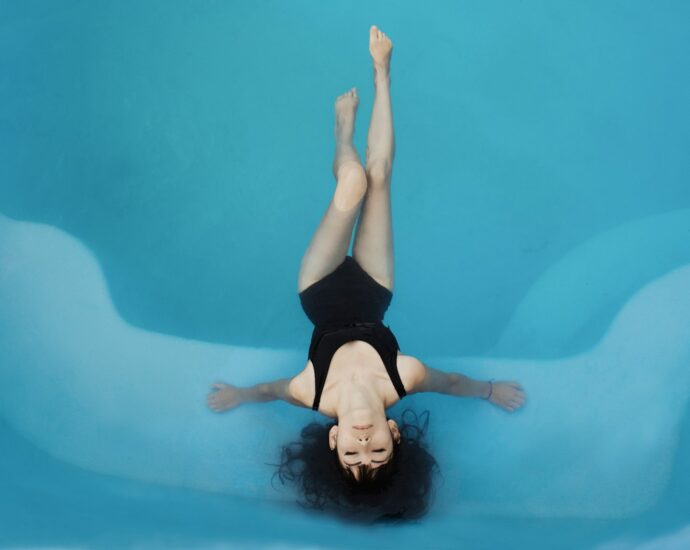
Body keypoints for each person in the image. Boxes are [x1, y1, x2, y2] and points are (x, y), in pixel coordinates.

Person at [207, 25, 526, 521]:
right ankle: (382, 74)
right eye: (377, 453)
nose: (363, 446)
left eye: (351, 455)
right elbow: (454, 383)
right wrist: (490, 391)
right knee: (379, 178)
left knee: (352, 182)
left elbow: (269, 390)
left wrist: (239, 396)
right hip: (375, 291)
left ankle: (340, 135)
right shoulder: (405, 377)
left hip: (319, 288)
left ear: (332, 440)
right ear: (394, 434)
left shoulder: (311, 393)